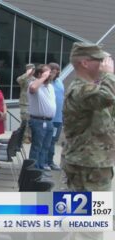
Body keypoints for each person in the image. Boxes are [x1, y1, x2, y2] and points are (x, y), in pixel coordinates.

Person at [62, 42, 115, 240]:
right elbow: (108, 97)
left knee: (82, 225)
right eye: (100, 61)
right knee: (90, 228)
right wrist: (109, 74)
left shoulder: (93, 89)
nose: (105, 64)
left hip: (93, 164)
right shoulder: (80, 90)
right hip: (88, 166)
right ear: (85, 62)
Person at [27, 64, 56, 171]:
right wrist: (43, 77)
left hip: (49, 121)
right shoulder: (34, 84)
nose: (50, 75)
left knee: (45, 146)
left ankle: (41, 168)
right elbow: (33, 88)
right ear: (39, 74)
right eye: (46, 72)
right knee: (37, 146)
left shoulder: (50, 87)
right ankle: (33, 169)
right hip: (38, 121)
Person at [47, 62, 62, 171]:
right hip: (49, 118)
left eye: (55, 70)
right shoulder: (47, 83)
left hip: (59, 118)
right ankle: (47, 162)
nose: (53, 72)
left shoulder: (59, 82)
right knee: (48, 141)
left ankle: (49, 161)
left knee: (53, 141)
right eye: (51, 70)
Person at [16, 63, 35, 143]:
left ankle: (28, 136)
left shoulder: (34, 79)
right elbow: (19, 80)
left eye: (33, 69)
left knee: (30, 121)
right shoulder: (23, 78)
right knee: (25, 120)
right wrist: (27, 74)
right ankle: (24, 137)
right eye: (31, 69)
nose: (32, 71)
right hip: (24, 102)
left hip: (32, 103)